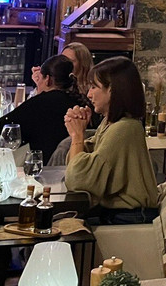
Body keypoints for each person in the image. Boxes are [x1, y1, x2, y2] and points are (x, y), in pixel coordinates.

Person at [64, 56, 160, 224]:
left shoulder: (123, 129)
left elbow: (78, 180)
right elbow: (78, 167)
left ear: (113, 90)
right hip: (118, 213)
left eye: (94, 87)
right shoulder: (111, 123)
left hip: (129, 218)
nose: (89, 94)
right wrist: (78, 132)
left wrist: (77, 136)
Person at [0, 55, 85, 163]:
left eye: (40, 78)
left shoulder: (39, 103)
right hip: (74, 164)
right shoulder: (80, 102)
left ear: (47, 79)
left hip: (45, 168)